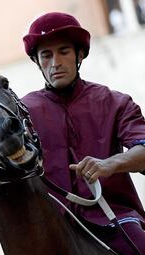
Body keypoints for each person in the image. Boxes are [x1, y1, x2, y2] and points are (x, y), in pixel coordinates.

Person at [21, 12, 145, 254]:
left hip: (113, 218)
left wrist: (110, 164)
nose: (55, 62)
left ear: (79, 54)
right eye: (46, 55)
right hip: (50, 226)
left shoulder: (115, 102)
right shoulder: (21, 113)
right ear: (37, 61)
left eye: (64, 51)